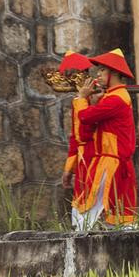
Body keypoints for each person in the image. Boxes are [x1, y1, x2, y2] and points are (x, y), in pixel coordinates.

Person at [71, 49, 137, 232]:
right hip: (109, 161)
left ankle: (77, 242)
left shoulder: (116, 99)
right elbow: (86, 131)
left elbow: (84, 116)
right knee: (115, 214)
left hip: (110, 163)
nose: (97, 75)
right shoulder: (112, 97)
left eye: (102, 70)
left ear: (114, 73)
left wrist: (82, 98)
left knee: (85, 209)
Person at [59, 52, 94, 208]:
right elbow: (76, 136)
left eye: (70, 74)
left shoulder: (95, 97)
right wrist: (68, 168)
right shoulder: (79, 100)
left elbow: (86, 131)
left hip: (95, 154)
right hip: (82, 157)